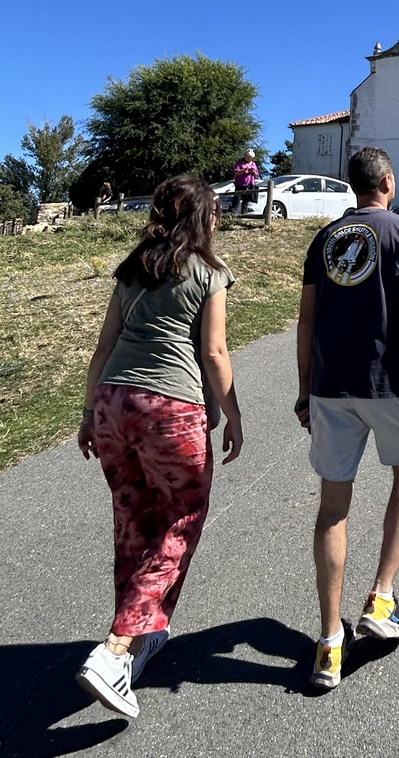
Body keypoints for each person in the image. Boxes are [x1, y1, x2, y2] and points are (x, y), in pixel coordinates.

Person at [76, 176, 243, 719]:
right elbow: (214, 352)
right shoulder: (208, 271)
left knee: (132, 521)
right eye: (214, 211)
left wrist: (87, 413)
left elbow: (105, 345)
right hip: (169, 411)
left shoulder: (133, 266)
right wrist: (235, 415)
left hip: (111, 404)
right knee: (179, 522)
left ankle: (141, 635)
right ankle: (116, 646)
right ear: (203, 218)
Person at [294, 147, 399, 691]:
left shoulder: (323, 239)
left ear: (353, 186)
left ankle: (329, 644)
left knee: (333, 507)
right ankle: (380, 596)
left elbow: (305, 322)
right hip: (389, 384)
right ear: (388, 182)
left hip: (331, 386)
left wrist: (305, 390)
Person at [230, 149, 259, 215]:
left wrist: (253, 172)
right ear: (245, 156)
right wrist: (244, 170)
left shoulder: (253, 164)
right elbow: (236, 172)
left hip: (249, 184)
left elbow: (257, 174)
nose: (250, 159)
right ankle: (233, 213)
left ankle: (244, 213)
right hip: (240, 184)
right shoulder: (239, 162)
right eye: (248, 157)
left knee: (246, 200)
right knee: (237, 198)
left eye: (251, 158)